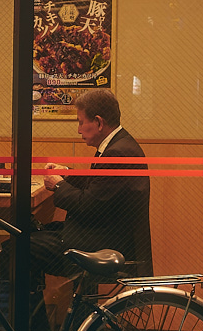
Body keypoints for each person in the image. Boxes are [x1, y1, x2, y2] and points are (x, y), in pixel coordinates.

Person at [28, 87, 152, 279]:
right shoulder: (119, 145)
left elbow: (88, 205)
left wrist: (59, 185)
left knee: (18, 247)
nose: (79, 130)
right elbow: (98, 186)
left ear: (99, 122)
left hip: (103, 246)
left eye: (81, 122)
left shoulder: (117, 153)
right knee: (34, 233)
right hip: (104, 236)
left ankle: (23, 300)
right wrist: (66, 174)